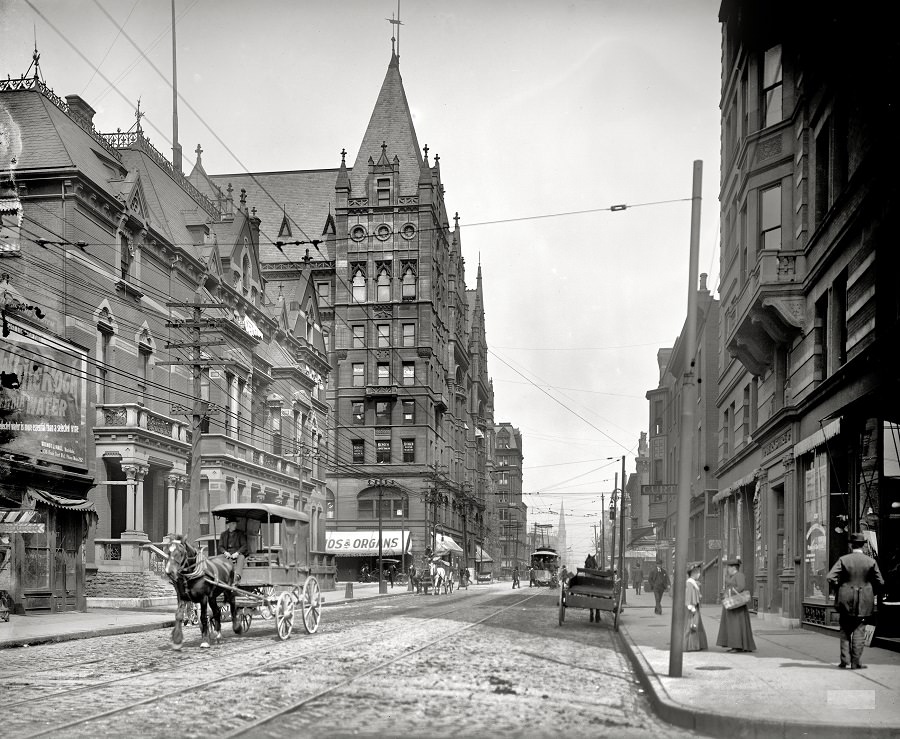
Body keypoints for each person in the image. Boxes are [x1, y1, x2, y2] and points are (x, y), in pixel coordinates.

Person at [827, 532, 884, 669]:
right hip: (864, 600)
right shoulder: (870, 561)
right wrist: (870, 591)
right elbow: (880, 582)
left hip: (845, 598)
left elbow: (830, 577)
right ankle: (856, 662)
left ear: (851, 545)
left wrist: (840, 587)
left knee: (845, 630)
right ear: (863, 546)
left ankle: (844, 660)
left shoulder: (844, 559)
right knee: (859, 630)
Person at [716, 557, 756, 653]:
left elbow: (741, 587)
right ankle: (735, 644)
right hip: (731, 603)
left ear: (733, 568)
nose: (727, 570)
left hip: (736, 604)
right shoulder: (731, 576)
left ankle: (738, 645)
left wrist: (729, 592)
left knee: (736, 625)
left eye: (728, 568)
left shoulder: (739, 575)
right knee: (732, 625)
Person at [684, 561, 708, 651]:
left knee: (694, 625)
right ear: (693, 573)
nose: (699, 573)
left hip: (694, 606)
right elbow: (688, 595)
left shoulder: (692, 582)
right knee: (692, 625)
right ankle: (690, 645)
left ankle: (694, 645)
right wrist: (690, 606)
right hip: (692, 607)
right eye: (698, 572)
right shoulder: (690, 583)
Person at [219, 517, 248, 583]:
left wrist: (237, 553)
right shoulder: (223, 534)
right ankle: (222, 576)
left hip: (238, 554)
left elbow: (244, 546)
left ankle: (237, 576)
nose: (235, 525)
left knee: (241, 557)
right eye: (233, 523)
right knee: (219, 558)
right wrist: (225, 552)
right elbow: (220, 546)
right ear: (228, 525)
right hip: (227, 554)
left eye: (235, 523)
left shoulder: (240, 533)